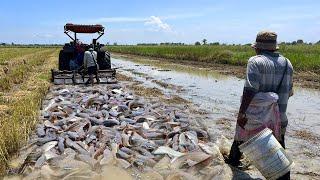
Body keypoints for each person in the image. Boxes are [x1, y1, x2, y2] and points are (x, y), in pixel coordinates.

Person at [225, 31, 293, 180]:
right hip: (278, 116)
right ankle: (283, 175)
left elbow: (250, 89)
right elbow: (290, 92)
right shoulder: (287, 63)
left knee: (241, 135)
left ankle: (233, 161)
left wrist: (242, 113)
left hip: (255, 115)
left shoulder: (255, 61)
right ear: (274, 47)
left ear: (258, 48)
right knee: (278, 146)